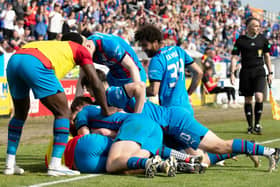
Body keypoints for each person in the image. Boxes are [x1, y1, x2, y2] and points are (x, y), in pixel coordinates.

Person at [82, 73, 279, 172]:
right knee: (199, 165)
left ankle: (270, 152)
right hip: (163, 129)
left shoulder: (110, 93)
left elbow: (140, 87)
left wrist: (138, 114)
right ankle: (242, 149)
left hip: (174, 122)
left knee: (219, 146)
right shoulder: (104, 103)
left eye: (89, 90)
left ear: (97, 86)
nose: (89, 94)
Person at [4, 40, 112, 176]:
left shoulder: (55, 46)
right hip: (35, 61)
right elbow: (96, 82)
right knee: (63, 113)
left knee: (19, 114)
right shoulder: (81, 48)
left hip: (15, 60)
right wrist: (105, 110)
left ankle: (9, 163)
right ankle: (55, 165)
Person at [73, 106, 177, 177]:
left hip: (136, 123)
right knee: (124, 167)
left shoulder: (84, 111)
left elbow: (85, 136)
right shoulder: (104, 112)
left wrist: (93, 132)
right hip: (154, 129)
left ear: (77, 108)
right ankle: (183, 159)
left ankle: (151, 162)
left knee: (113, 163)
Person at [134, 24, 203, 115]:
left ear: (155, 42)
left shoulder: (157, 60)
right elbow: (199, 72)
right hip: (187, 109)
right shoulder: (178, 51)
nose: (143, 49)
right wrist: (188, 93)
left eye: (145, 45)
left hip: (170, 113)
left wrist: (134, 92)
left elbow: (153, 90)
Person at [230, 17, 273, 134]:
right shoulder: (240, 41)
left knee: (259, 97)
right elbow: (234, 57)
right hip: (246, 72)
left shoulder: (263, 40)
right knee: (248, 100)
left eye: (259, 26)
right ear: (248, 27)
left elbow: (267, 56)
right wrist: (232, 73)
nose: (257, 28)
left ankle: (257, 124)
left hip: (259, 71)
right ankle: (250, 126)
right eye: (255, 26)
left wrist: (270, 72)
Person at [61, 32, 147, 87]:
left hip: (133, 74)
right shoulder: (86, 49)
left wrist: (137, 91)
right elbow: (81, 79)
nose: (83, 59)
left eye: (82, 55)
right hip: (114, 77)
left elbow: (132, 67)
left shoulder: (108, 44)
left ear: (88, 46)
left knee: (136, 110)